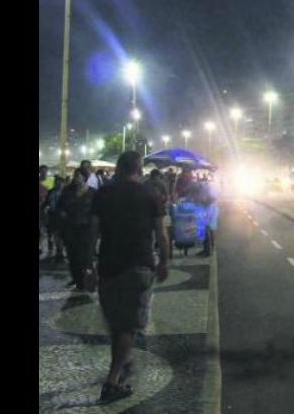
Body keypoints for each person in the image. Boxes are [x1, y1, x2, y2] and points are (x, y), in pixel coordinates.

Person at [91, 151, 169, 403]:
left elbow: (92, 231)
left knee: (116, 321)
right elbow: (161, 233)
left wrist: (87, 266)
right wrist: (164, 261)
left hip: (107, 266)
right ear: (139, 169)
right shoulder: (150, 194)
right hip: (138, 265)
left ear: (118, 168)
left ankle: (125, 360)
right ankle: (112, 382)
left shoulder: (103, 193)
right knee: (127, 326)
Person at [58, 168, 96, 291]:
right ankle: (77, 280)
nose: (75, 179)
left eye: (78, 176)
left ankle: (88, 280)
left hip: (87, 229)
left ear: (85, 178)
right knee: (72, 255)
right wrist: (62, 213)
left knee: (86, 256)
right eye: (75, 176)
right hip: (71, 228)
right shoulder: (68, 191)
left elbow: (97, 211)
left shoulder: (92, 192)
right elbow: (60, 206)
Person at [43, 175, 66, 262]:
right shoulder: (51, 191)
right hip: (52, 214)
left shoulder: (66, 192)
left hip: (62, 215)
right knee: (53, 233)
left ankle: (60, 251)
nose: (58, 184)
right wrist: (45, 208)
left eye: (60, 183)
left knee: (60, 234)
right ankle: (56, 251)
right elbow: (47, 202)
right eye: (57, 182)